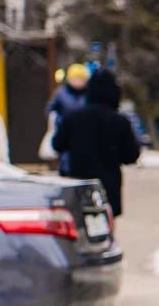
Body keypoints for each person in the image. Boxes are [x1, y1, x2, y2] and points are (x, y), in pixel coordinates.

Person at [52, 70, 140, 219]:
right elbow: (131, 155)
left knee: (80, 224)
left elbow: (58, 144)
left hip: (78, 181)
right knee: (107, 224)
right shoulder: (119, 121)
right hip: (108, 184)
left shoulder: (73, 118)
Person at [44, 64, 90, 172]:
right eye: (75, 78)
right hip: (66, 133)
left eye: (81, 79)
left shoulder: (89, 94)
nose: (78, 82)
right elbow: (51, 110)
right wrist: (59, 121)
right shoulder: (61, 93)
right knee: (66, 161)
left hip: (85, 133)